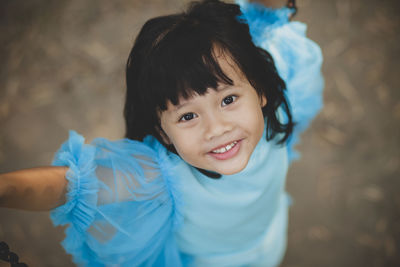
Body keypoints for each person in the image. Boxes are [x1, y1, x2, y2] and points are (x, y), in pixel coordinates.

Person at [0, 0, 323, 266]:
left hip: (267, 235)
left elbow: (268, 12)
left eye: (227, 99)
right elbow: (69, 186)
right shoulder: (159, 177)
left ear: (261, 90)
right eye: (187, 116)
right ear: (162, 132)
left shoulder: (275, 90)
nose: (217, 129)